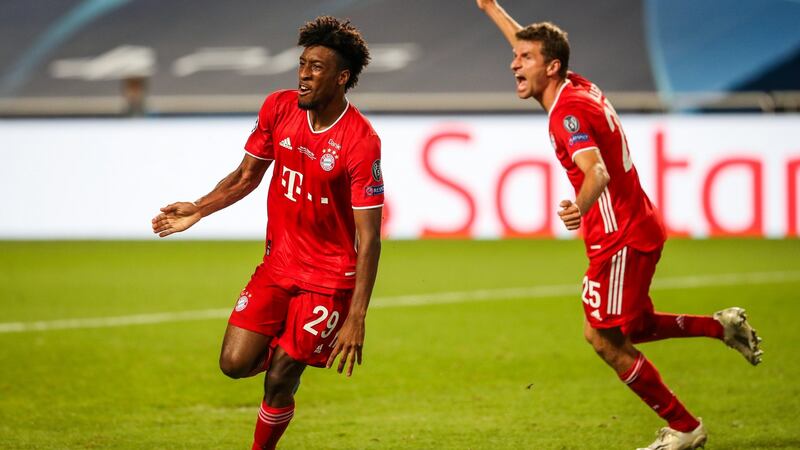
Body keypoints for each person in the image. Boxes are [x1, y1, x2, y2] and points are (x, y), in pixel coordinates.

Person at [476, 1, 763, 449]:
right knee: (629, 324)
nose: (514, 61)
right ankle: (719, 328)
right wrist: (491, 7)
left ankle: (686, 428)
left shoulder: (567, 115)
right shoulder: (575, 84)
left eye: (525, 58)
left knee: (604, 339)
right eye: (517, 55)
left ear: (550, 67)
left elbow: (597, 172)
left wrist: (578, 205)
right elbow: (531, 46)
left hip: (620, 236)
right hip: (634, 225)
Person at [151, 16, 384, 450]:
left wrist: (356, 317)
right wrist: (199, 209)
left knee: (279, 378)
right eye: (302, 64)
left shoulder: (360, 141)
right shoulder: (278, 108)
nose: (303, 75)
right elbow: (245, 176)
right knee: (234, 363)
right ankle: (289, 345)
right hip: (278, 266)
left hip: (329, 280)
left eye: (316, 67)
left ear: (342, 77)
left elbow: (370, 240)